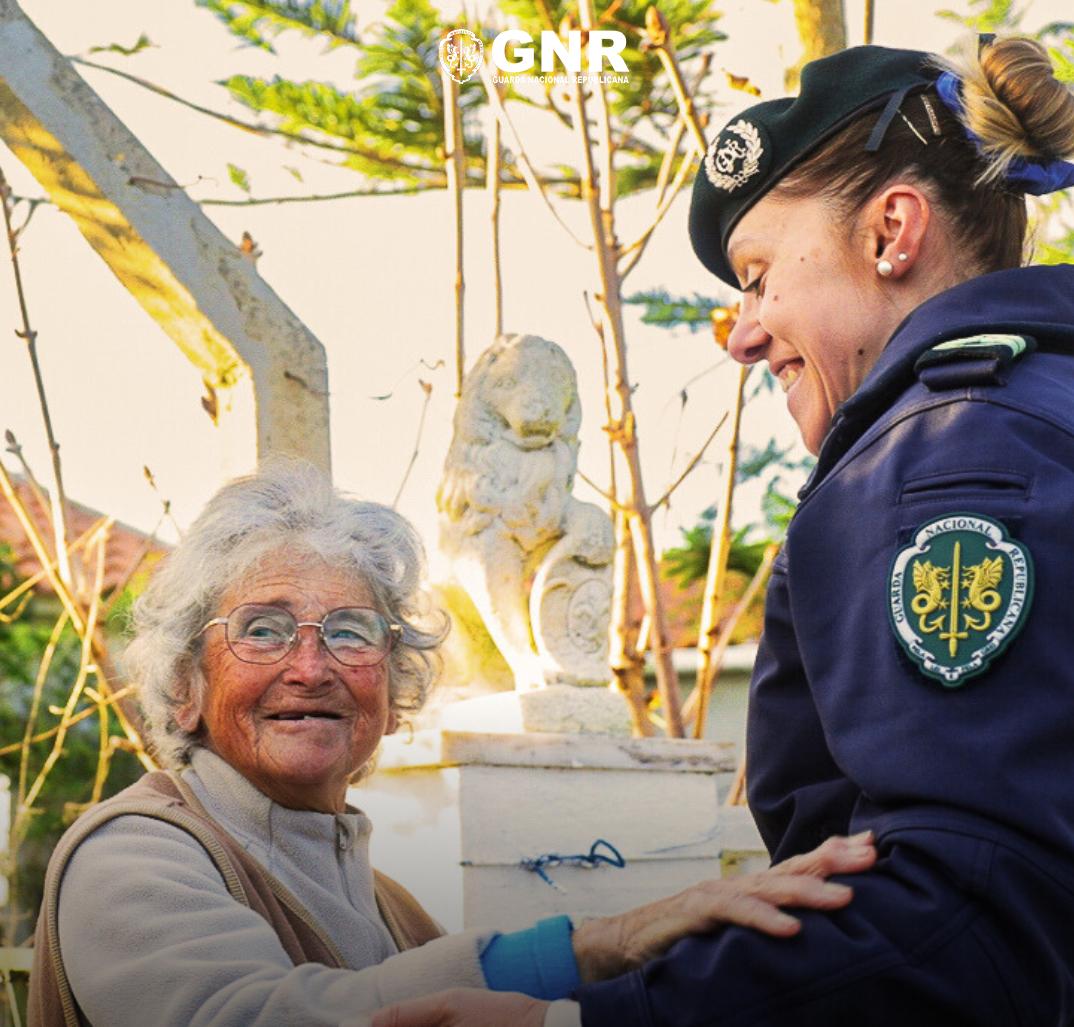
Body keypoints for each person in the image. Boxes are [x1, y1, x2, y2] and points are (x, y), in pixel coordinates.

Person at [373, 34, 1074, 1027]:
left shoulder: (949, 459)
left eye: (756, 276)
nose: (742, 333)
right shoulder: (1040, 413)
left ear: (893, 232)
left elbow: (972, 921)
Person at [27, 463, 875, 1027]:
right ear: (184, 687)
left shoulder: (387, 899)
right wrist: (604, 940)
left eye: (352, 632)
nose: (312, 666)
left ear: (391, 696)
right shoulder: (133, 854)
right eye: (264, 629)